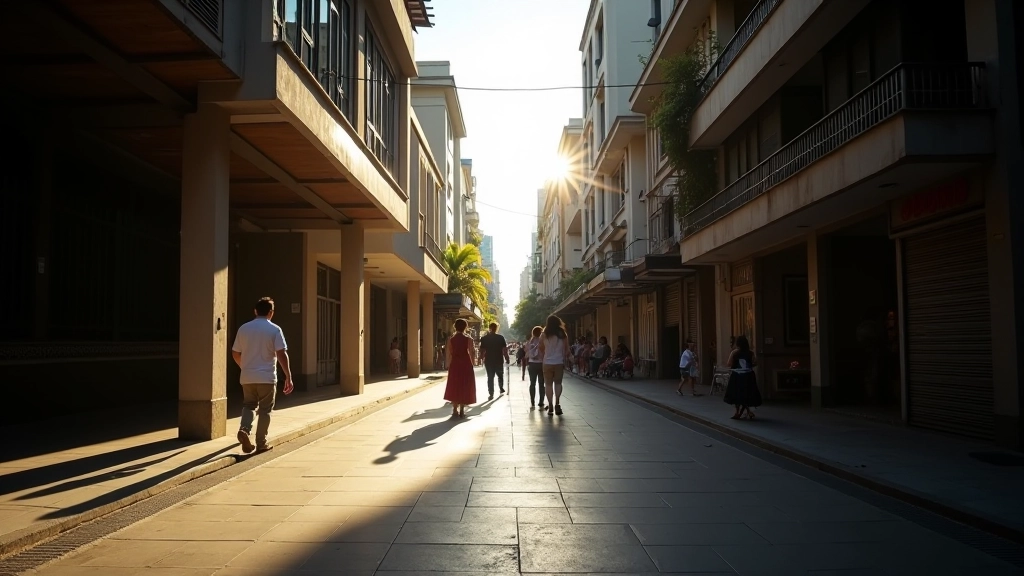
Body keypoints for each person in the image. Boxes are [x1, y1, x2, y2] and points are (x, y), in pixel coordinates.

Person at [231, 297, 294, 454]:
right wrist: (288, 376)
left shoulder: (243, 329)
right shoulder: (274, 329)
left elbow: (235, 352)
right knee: (265, 410)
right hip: (266, 377)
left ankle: (244, 429)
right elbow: (281, 353)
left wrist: (244, 366)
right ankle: (261, 443)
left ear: (255, 311)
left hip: (247, 376)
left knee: (249, 405)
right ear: (271, 313)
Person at [443, 318, 477, 418]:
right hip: (466, 364)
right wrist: (473, 364)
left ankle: (454, 409)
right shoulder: (469, 339)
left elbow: (449, 353)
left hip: (455, 364)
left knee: (454, 385)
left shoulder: (451, 339)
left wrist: (447, 365)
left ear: (455, 327)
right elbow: (471, 352)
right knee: (464, 385)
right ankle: (462, 409)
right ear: (465, 327)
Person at [539, 315, 572, 416]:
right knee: (558, 383)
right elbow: (567, 349)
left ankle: (550, 406)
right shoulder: (562, 334)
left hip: (547, 362)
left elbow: (540, 348)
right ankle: (557, 403)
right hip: (559, 362)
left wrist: (546, 353)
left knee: (548, 384)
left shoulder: (544, 334)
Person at [723, 335, 762, 419]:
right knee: (747, 393)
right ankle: (748, 411)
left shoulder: (734, 352)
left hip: (737, 375)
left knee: (737, 394)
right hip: (748, 375)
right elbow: (755, 362)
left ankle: (737, 412)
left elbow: (729, 363)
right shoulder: (750, 352)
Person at [479, 322, 510, 399]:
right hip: (498, 359)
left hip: (489, 360)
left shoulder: (484, 338)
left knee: (490, 377)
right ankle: (501, 388)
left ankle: (491, 393)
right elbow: (504, 350)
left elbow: (482, 350)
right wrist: (507, 358)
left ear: (489, 328)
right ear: (496, 328)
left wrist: (481, 358)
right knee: (500, 375)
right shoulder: (500, 338)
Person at [526, 326, 546, 409]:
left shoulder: (529, 342)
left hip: (532, 364)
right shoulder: (543, 342)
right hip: (541, 364)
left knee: (532, 383)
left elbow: (526, 353)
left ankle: (532, 401)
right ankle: (541, 401)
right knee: (541, 384)